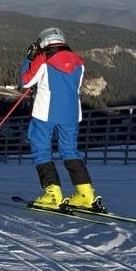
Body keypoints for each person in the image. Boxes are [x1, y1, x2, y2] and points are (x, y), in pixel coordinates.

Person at [21, 27, 101, 211]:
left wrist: (28, 59)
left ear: (43, 41)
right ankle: (85, 194)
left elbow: (26, 81)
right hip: (71, 113)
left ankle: (53, 195)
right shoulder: (78, 61)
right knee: (70, 150)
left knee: (41, 149)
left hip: (46, 112)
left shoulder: (43, 58)